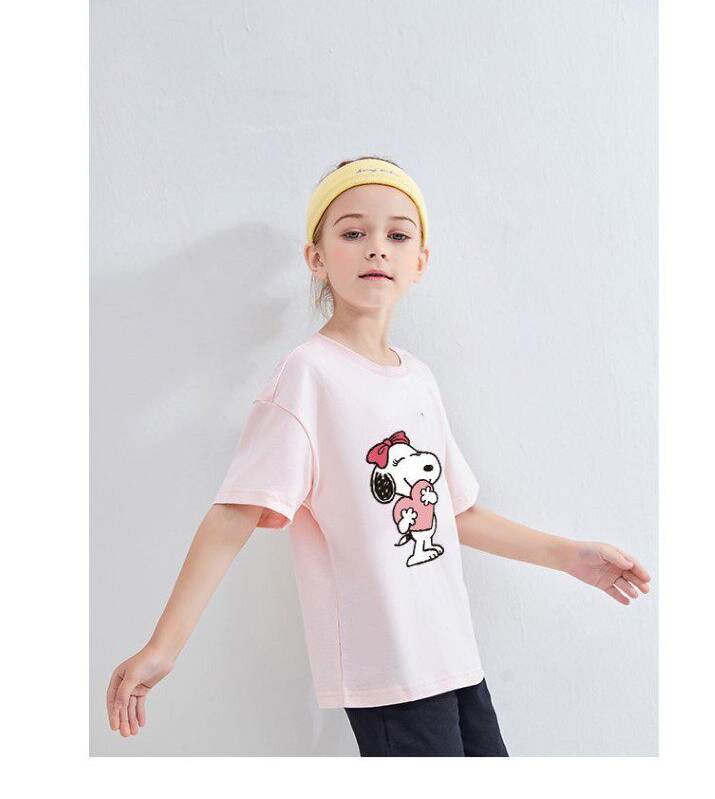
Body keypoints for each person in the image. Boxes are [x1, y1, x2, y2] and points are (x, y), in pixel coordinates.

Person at [106, 156, 651, 757]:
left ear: (420, 262)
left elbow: (455, 513)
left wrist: (570, 556)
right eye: (352, 233)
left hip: (453, 658)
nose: (376, 248)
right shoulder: (307, 376)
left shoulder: (418, 378)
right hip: (389, 671)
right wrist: (163, 647)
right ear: (316, 258)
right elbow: (235, 512)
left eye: (397, 235)